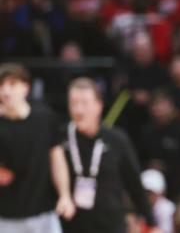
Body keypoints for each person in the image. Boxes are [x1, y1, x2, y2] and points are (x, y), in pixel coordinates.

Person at [62, 77, 157, 233]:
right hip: (70, 226)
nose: (79, 110)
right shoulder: (60, 138)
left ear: (99, 106)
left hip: (110, 225)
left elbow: (134, 183)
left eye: (85, 103)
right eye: (74, 103)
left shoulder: (117, 139)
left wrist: (152, 222)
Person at [0, 63, 75, 233]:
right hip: (5, 215)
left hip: (43, 213)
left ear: (26, 87)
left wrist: (64, 195)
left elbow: (57, 158)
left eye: (12, 84)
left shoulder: (45, 118)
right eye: (1, 85)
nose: (6, 91)